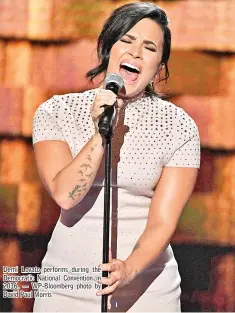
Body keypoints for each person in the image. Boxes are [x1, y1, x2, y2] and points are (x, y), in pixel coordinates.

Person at [32, 2, 200, 312]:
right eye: (127, 40)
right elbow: (66, 196)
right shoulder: (56, 112)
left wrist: (129, 269)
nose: (136, 53)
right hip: (67, 283)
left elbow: (163, 222)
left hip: (147, 287)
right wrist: (100, 132)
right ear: (108, 48)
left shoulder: (179, 126)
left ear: (159, 66)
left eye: (149, 47)